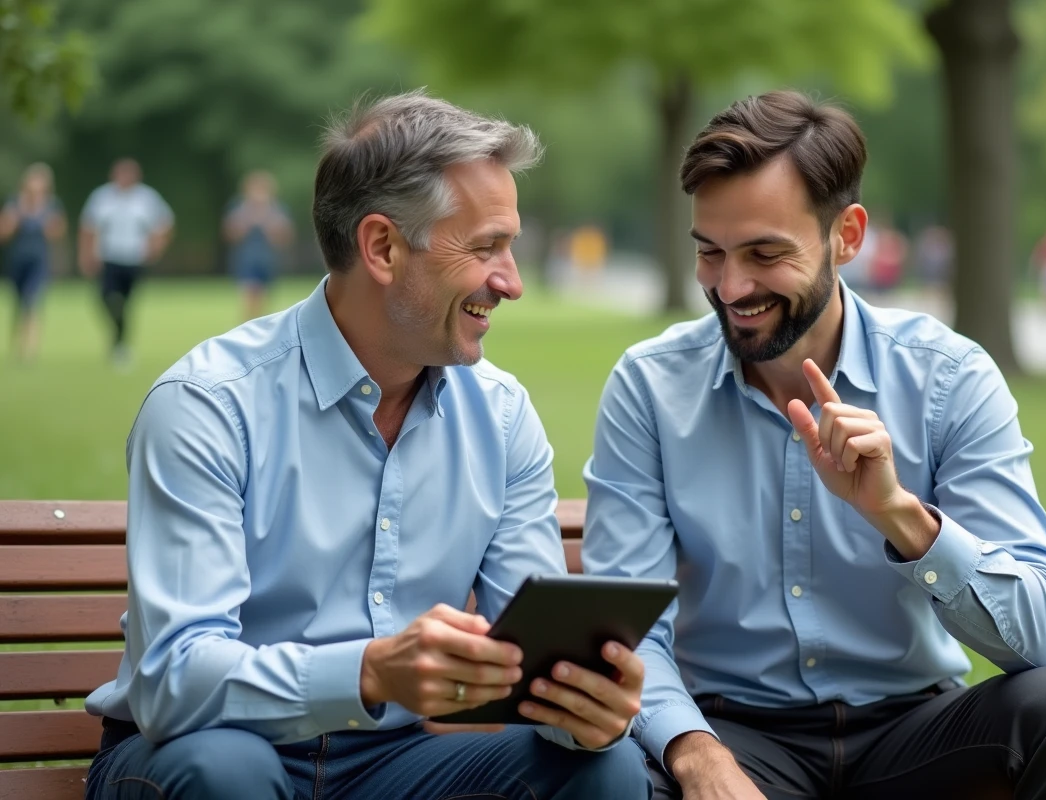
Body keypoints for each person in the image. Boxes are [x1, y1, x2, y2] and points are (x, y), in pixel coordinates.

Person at [82, 91, 651, 800]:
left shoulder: (501, 416)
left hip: (399, 761)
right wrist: (370, 673)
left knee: (606, 769)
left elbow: (527, 670)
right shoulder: (207, 405)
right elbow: (172, 680)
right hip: (205, 752)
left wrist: (589, 711)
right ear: (382, 246)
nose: (512, 282)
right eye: (485, 247)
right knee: (226, 774)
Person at [582, 90, 1046, 800]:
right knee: (619, 778)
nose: (730, 286)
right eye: (710, 253)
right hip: (734, 733)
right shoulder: (649, 388)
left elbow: (1041, 639)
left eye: (765, 253)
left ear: (847, 235)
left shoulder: (948, 377)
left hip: (914, 729)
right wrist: (697, 756)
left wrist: (904, 517)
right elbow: (629, 633)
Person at [78, 158, 174, 367]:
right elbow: (88, 227)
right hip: (109, 257)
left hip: (133, 258)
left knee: (127, 302)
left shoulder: (146, 198)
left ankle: (120, 343)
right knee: (106, 297)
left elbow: (165, 222)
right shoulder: (102, 197)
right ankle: (118, 334)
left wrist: (155, 247)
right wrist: (86, 255)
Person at [0, 163, 66, 361]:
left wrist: (47, 221)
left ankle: (29, 349)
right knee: (20, 303)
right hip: (17, 260)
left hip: (38, 261)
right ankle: (17, 340)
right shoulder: (14, 204)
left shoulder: (52, 205)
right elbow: (4, 232)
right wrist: (16, 218)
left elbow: (57, 233)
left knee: (32, 300)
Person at [223, 170, 293, 321]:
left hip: (268, 259)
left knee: (265, 299)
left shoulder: (277, 209)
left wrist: (265, 218)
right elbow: (230, 234)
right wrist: (250, 217)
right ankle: (249, 324)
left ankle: (262, 325)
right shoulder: (239, 208)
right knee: (249, 295)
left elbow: (284, 237)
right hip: (247, 259)